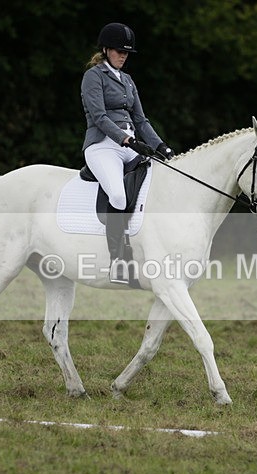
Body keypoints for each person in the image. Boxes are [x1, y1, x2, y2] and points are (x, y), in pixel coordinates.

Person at [81, 22, 174, 284]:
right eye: (119, 51)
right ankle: (118, 261)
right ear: (106, 49)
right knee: (119, 196)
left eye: (126, 53)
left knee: (159, 186)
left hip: (129, 145)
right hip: (102, 146)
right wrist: (127, 139)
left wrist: (160, 146)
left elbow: (141, 120)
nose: (123, 56)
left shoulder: (128, 80)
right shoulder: (94, 76)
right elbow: (99, 117)